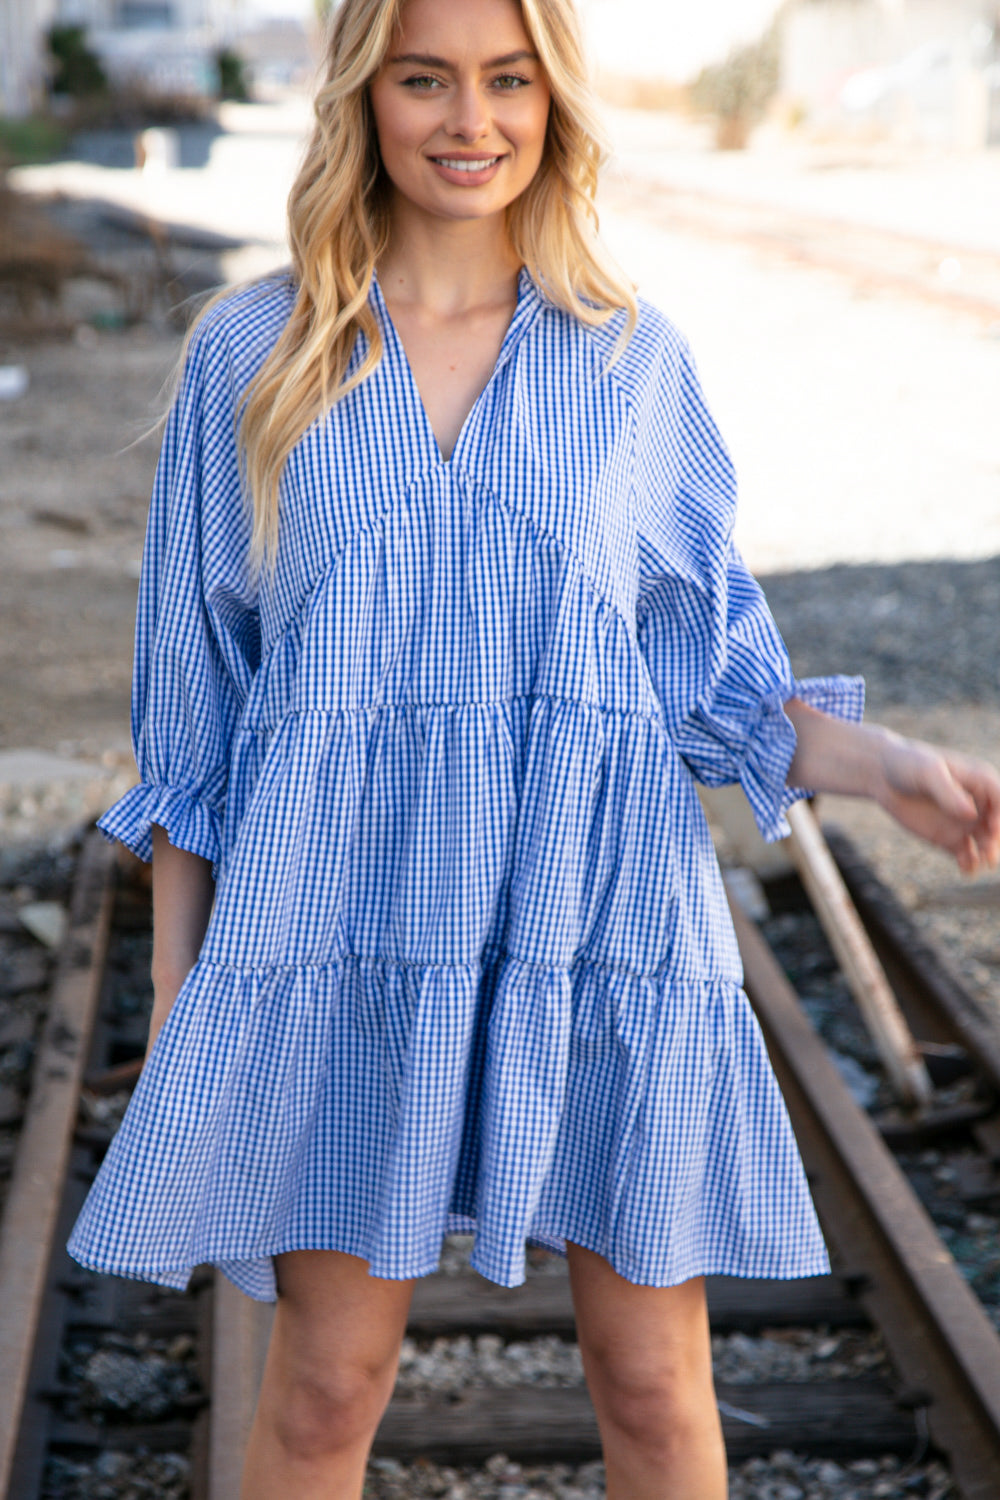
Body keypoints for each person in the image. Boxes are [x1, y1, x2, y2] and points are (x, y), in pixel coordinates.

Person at [69, 1, 1000, 1495]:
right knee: (324, 1391)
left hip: (599, 918)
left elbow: (712, 675)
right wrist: (186, 992)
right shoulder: (255, 351)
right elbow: (195, 720)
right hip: (334, 932)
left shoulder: (629, 361)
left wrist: (889, 765)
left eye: (508, 80)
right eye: (424, 79)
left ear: (556, 102)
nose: (469, 121)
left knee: (654, 1386)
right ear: (364, 98)